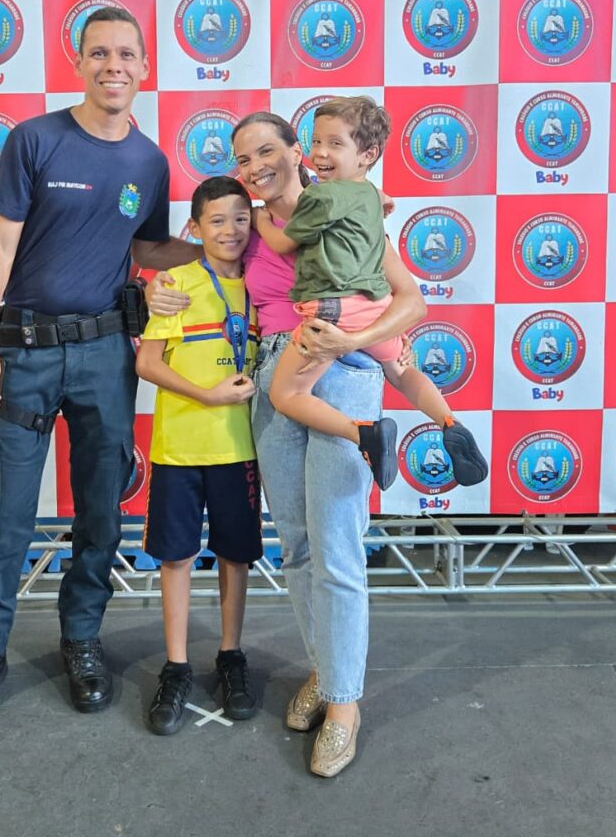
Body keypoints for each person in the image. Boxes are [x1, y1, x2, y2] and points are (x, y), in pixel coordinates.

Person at [0, 6, 196, 736]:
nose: (114, 66)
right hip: (23, 352)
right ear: (78, 62)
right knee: (5, 515)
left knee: (101, 512)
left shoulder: (150, 162)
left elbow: (146, 249)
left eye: (127, 54)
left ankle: (81, 640)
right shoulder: (35, 139)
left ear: (145, 68)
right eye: (100, 53)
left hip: (107, 355)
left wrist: (232, 243)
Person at [148, 110, 426, 778]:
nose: (254, 167)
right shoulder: (251, 224)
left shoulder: (344, 210)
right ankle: (327, 671)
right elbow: (187, 250)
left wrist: (361, 341)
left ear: (298, 152)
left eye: (267, 151)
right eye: (243, 158)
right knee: (297, 545)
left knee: (336, 547)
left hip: (340, 374)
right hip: (272, 379)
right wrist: (155, 286)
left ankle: (345, 706)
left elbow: (409, 298)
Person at [250, 97, 488, 490]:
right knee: (402, 371)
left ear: (368, 154)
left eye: (334, 143)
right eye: (317, 142)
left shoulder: (321, 197)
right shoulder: (371, 196)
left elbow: (282, 243)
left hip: (331, 311)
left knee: (286, 393)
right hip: (376, 305)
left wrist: (260, 219)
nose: (320, 152)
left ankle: (363, 434)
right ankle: (448, 421)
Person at [136, 176, 262, 736]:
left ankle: (231, 656)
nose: (230, 230)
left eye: (241, 218)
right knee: (177, 558)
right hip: (179, 448)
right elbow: (147, 363)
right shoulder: (177, 283)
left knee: (236, 557)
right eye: (216, 220)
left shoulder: (264, 284)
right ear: (195, 227)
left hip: (241, 450)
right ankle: (177, 666)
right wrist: (208, 395)